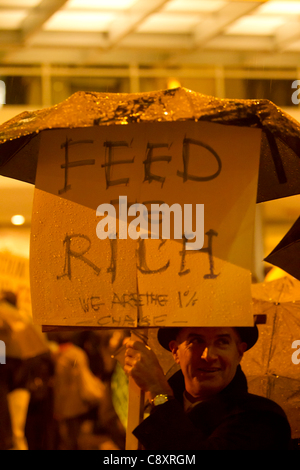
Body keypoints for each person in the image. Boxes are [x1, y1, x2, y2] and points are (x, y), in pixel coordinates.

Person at [124, 326, 291, 450]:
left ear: (239, 353)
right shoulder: (158, 409)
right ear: (175, 351)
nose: (208, 355)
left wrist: (158, 391)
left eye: (222, 342)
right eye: (196, 341)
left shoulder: (263, 419)